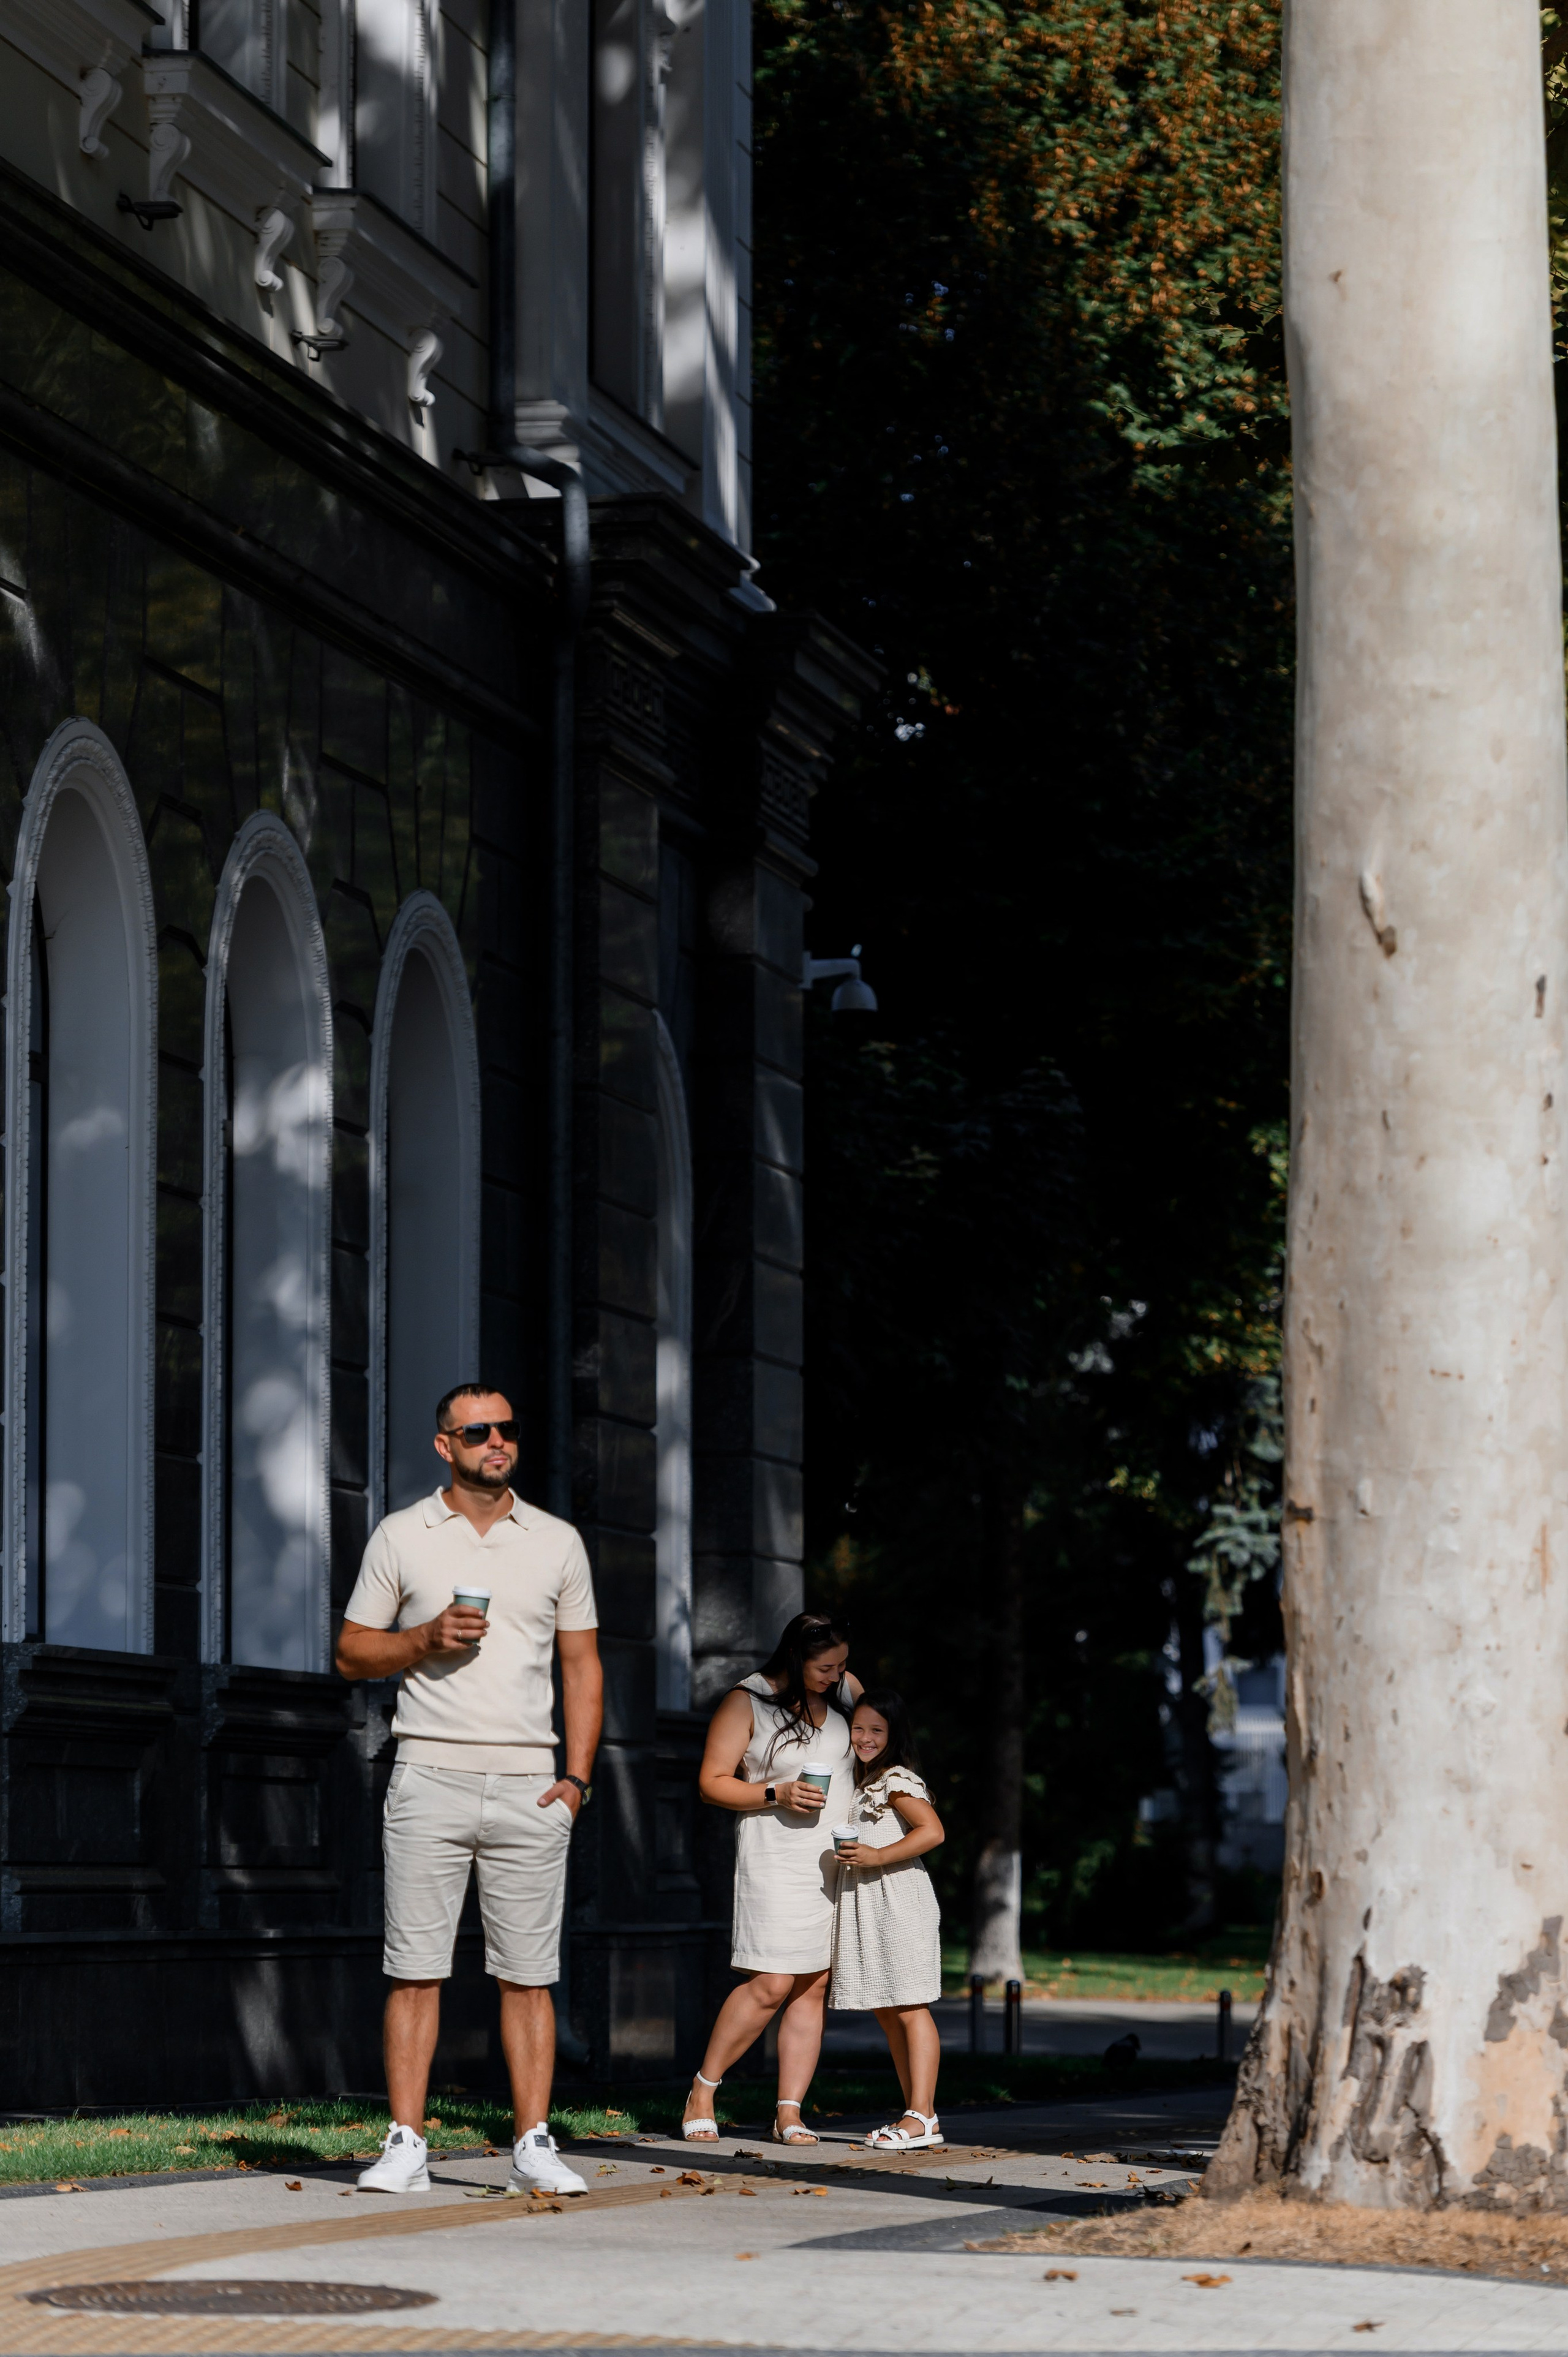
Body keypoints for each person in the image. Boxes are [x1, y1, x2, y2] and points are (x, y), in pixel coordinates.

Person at [335, 1383, 602, 2197]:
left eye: (508, 1429)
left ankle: (533, 2143)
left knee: (529, 1973)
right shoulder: (402, 1536)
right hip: (429, 1775)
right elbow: (350, 1653)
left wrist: (578, 1780)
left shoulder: (556, 1542)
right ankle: (407, 2145)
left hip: (531, 1783)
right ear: (444, 1445)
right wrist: (423, 1638)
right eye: (478, 1431)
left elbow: (583, 1665)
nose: (498, 1441)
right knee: (415, 1968)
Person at [682, 1614, 861, 2144]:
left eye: (843, 1665)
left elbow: (877, 1743)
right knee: (771, 1983)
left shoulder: (847, 1691)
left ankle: (789, 2113)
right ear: (794, 1659)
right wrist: (775, 1793)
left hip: (834, 1857)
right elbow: (710, 1784)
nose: (838, 1675)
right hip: (775, 1856)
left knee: (813, 1985)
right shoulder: (748, 1701)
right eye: (825, 1667)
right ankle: (703, 2089)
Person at [830, 1687, 946, 2151]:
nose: (864, 1737)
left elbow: (933, 1831)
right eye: (858, 1728)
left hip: (901, 1904)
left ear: (894, 1734)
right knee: (888, 2009)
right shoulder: (863, 1780)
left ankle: (921, 2116)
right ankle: (920, 2114)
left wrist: (878, 1854)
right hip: (873, 1905)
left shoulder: (895, 1780)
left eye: (876, 1729)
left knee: (911, 2006)